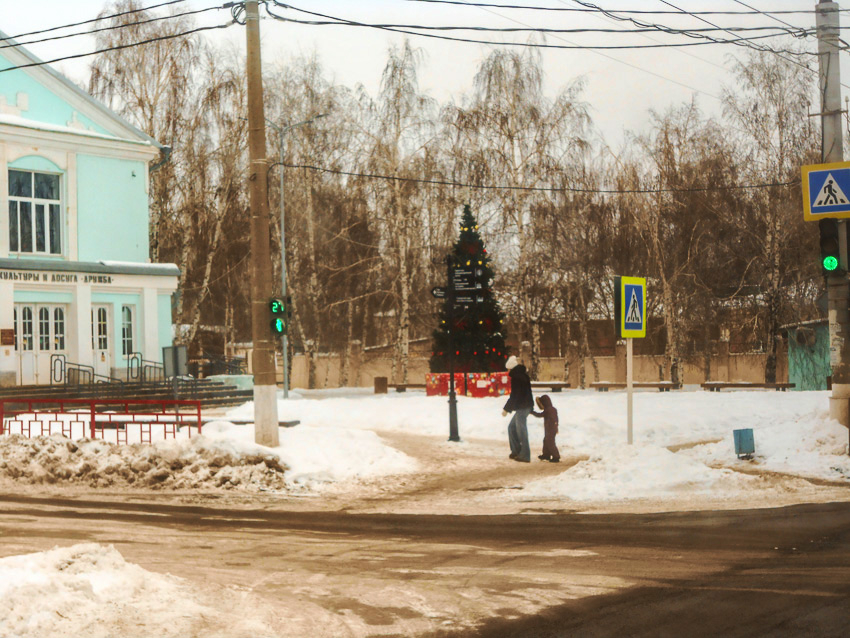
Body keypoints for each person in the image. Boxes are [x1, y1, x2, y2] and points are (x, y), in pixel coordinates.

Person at [501, 355, 533, 463]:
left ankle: (525, 455)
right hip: (525, 406)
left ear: (511, 368)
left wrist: (506, 409)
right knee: (512, 427)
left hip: (523, 407)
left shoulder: (517, 378)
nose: (508, 371)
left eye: (508, 369)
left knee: (521, 430)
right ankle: (516, 451)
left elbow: (515, 395)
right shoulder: (522, 375)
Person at [531, 395, 560, 463]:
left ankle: (556, 456)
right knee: (546, 441)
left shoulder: (549, 410)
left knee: (550, 443)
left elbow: (540, 415)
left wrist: (532, 412)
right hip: (551, 429)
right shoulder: (551, 409)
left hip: (550, 429)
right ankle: (546, 455)